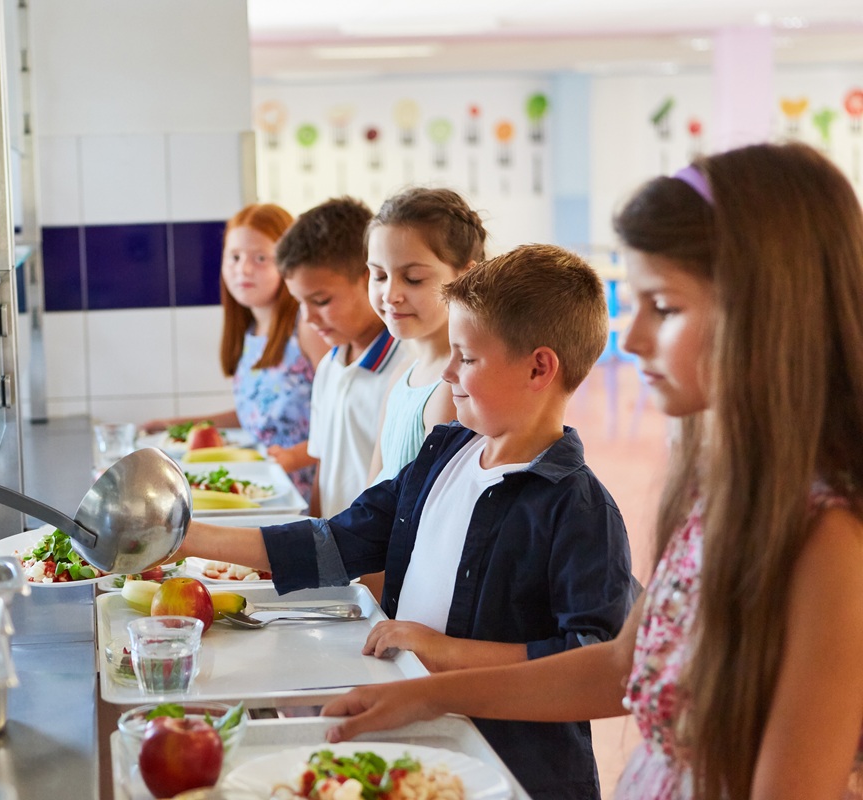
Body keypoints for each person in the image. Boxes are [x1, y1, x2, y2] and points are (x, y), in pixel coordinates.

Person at [320, 143, 863, 800]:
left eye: (663, 307)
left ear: (768, 311)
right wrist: (424, 695)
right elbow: (618, 667)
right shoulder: (723, 489)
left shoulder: (829, 538)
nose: (629, 342)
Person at [178, 243, 636, 800]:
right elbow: (339, 541)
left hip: (519, 773)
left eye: (466, 357)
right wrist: (186, 539)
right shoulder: (444, 453)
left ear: (539, 367)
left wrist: (441, 649)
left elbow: (591, 665)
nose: (447, 371)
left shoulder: (581, 511)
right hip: (424, 742)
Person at [143, 204, 329, 500]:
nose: (243, 269)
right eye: (235, 257)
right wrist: (175, 426)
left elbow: (344, 420)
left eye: (260, 258)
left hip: (301, 497)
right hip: (262, 489)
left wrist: (294, 458)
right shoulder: (251, 330)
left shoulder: (308, 327)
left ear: (289, 261)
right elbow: (255, 416)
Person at [276, 196, 406, 518]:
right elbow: (323, 467)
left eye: (320, 300)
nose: (308, 318)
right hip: (336, 559)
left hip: (379, 562)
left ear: (370, 277)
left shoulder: (407, 368)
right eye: (299, 302)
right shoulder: (329, 367)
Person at [365, 187, 486, 485]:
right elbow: (371, 492)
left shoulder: (453, 390)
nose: (390, 295)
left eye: (413, 279)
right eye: (379, 276)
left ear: (465, 277)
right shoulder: (403, 374)